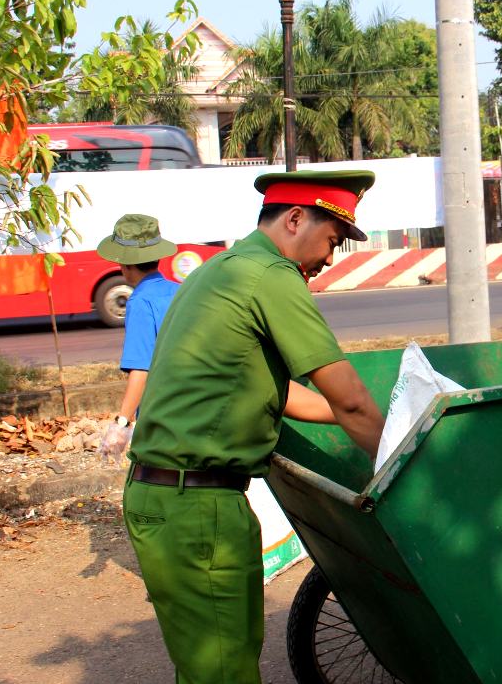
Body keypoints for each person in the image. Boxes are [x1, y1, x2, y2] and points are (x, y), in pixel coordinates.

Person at [123, 170, 385, 684]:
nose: (328, 259)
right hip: (198, 509)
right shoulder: (271, 276)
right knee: (224, 672)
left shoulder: (219, 270)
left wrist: (343, 412)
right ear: (294, 219)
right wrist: (404, 463)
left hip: (170, 499)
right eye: (331, 240)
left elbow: (276, 391)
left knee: (216, 664)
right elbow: (351, 402)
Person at [95, 214, 179, 449]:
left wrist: (121, 424)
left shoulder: (141, 301)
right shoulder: (181, 290)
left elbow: (141, 370)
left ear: (124, 264)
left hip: (163, 420)